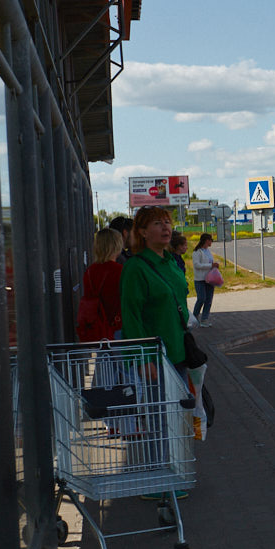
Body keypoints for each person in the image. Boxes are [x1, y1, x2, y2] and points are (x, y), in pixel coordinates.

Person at [119, 206, 192, 499]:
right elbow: (131, 317)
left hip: (179, 352)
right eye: (158, 223)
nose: (165, 228)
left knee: (176, 416)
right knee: (159, 418)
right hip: (154, 357)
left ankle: (170, 473)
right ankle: (154, 478)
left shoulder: (171, 262)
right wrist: (141, 360)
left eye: (168, 222)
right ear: (142, 232)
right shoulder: (136, 268)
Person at [78, 227, 123, 339]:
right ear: (117, 245)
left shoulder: (90, 271)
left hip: (96, 327)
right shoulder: (121, 271)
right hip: (116, 326)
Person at [191, 232, 218, 327]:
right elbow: (197, 265)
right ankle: (194, 317)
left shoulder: (208, 251)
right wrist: (210, 265)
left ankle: (204, 319)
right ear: (206, 240)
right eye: (211, 240)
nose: (211, 242)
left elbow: (209, 261)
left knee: (209, 299)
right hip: (200, 279)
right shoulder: (197, 252)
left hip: (209, 278)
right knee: (201, 298)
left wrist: (214, 266)